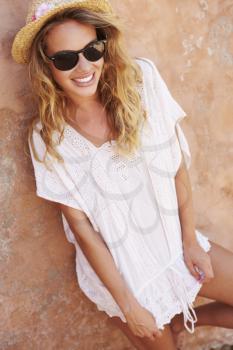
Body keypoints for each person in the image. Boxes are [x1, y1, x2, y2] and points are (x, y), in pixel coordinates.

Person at [11, 1, 233, 349]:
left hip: (175, 245)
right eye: (66, 59)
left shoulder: (142, 82)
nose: (83, 67)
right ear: (48, 66)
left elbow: (176, 165)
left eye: (91, 50)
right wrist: (129, 305)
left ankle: (182, 321)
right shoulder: (47, 138)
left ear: (104, 46)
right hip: (124, 275)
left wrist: (189, 240)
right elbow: (83, 230)